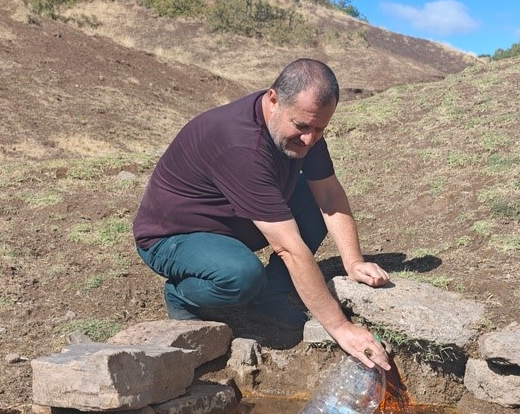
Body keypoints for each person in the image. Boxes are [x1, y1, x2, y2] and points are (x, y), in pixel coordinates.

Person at [134, 58, 390, 370]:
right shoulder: (241, 144)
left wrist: (353, 261)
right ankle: (183, 294)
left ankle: (270, 293)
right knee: (242, 275)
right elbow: (288, 247)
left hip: (233, 218)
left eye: (320, 128)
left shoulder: (301, 123)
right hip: (174, 236)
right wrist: (341, 329)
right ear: (273, 100)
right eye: (302, 127)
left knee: (310, 201)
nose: (310, 139)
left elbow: (329, 193)